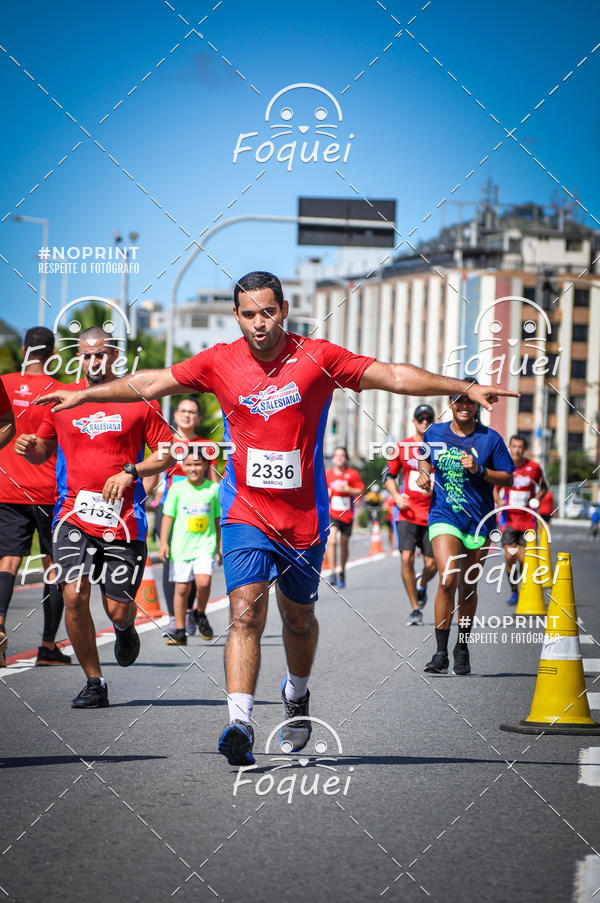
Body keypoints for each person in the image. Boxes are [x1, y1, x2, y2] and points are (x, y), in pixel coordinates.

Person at [35, 271, 516, 763]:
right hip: (244, 512)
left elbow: (391, 376)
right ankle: (240, 723)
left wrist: (464, 386)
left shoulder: (318, 357)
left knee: (299, 619)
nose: (259, 323)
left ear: (283, 310)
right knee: (246, 612)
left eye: (268, 312)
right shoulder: (219, 361)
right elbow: (152, 381)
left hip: (304, 519)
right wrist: (85, 395)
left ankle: (297, 696)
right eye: (249, 314)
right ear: (236, 316)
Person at [15, 326, 174, 707]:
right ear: (78, 359)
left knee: (117, 607)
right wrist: (28, 446)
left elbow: (168, 453)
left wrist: (132, 472)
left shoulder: (138, 399)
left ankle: (123, 626)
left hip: (123, 520)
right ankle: (95, 682)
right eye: (87, 356)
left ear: (114, 356)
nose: (94, 361)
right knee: (73, 594)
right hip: (72, 514)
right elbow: (42, 451)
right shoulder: (62, 400)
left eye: (100, 354)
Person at [417, 387, 514, 675]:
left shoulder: (490, 439)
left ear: (477, 405)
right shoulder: (434, 433)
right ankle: (440, 653)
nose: (464, 406)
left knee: (468, 586)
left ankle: (462, 647)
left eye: (470, 401)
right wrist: (424, 473)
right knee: (447, 579)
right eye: (459, 400)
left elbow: (508, 478)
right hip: (444, 515)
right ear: (450, 403)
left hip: (479, 521)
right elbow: (423, 455)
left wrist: (480, 470)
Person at [0, 327, 71, 668]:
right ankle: (47, 646)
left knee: (7, 562)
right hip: (48, 492)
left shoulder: (3, 383)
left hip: (6, 487)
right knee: (53, 566)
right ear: (52, 353)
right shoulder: (58, 392)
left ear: (24, 349)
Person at [147, 396, 217, 637]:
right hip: (169, 509)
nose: (187, 415)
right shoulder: (165, 444)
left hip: (198, 511)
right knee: (171, 562)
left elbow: (213, 481)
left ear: (198, 418)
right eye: (183, 411)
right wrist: (142, 498)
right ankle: (173, 618)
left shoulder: (207, 445)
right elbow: (152, 473)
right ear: (175, 416)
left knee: (197, 563)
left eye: (192, 412)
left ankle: (189, 611)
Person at [158, 446, 221, 645]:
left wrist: (220, 545)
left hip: (205, 544)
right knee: (182, 589)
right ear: (182, 466)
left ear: (206, 465)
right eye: (188, 464)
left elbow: (218, 519)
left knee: (203, 583)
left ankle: (199, 613)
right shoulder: (176, 489)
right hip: (181, 547)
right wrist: (164, 543)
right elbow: (168, 517)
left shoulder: (213, 490)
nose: (193, 468)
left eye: (197, 464)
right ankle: (179, 630)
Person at [384, 404, 437, 627]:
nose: (424, 422)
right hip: (407, 512)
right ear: (413, 422)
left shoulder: (440, 447)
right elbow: (389, 476)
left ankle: (421, 583)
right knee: (406, 558)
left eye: (428, 419)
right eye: (420, 419)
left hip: (433, 513)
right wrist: (396, 496)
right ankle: (415, 609)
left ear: (433, 422)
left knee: (433, 564)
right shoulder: (402, 447)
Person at [493, 435, 547, 605]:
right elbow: (495, 488)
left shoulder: (534, 467)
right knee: (510, 557)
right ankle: (514, 591)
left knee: (524, 559)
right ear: (509, 447)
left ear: (525, 449)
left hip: (528, 521)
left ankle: (524, 589)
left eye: (520, 447)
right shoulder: (504, 466)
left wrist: (537, 498)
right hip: (509, 521)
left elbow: (544, 488)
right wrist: (498, 500)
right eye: (514, 446)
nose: (517, 450)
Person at [325, 447, 364, 588]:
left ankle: (341, 571)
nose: (339, 458)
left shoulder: (352, 474)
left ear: (346, 458)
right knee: (332, 541)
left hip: (347, 514)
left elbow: (361, 491)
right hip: (332, 514)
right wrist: (328, 493)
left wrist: (347, 489)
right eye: (337, 455)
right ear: (333, 458)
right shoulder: (328, 474)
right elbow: (321, 491)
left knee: (344, 544)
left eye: (342, 455)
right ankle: (332, 572)